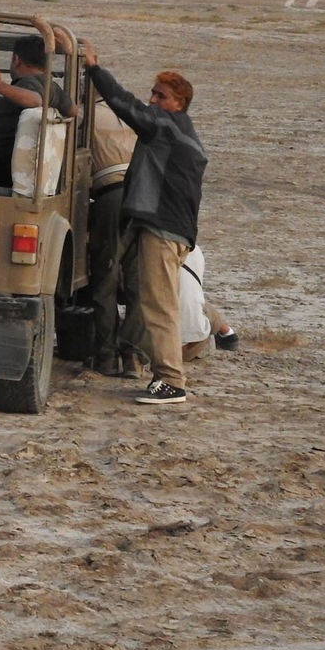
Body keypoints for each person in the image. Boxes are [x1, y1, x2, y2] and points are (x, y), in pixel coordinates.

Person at [80, 40, 207, 405]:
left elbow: (126, 105)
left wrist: (94, 69)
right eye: (153, 93)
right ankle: (144, 363)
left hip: (163, 229)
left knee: (158, 302)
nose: (153, 100)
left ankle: (171, 380)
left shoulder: (166, 128)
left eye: (161, 96)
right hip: (166, 227)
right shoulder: (184, 133)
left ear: (178, 104)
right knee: (146, 295)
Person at [0, 34, 74, 190]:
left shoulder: (28, 82)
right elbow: (73, 110)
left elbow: (35, 101)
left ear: (16, 60)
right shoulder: (52, 87)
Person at [87, 97, 140, 377]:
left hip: (111, 196)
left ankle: (106, 356)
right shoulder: (130, 112)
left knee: (105, 280)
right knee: (136, 283)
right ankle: (133, 358)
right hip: (142, 196)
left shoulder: (87, 115)